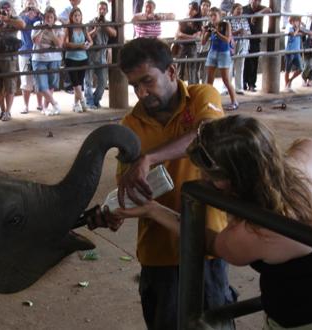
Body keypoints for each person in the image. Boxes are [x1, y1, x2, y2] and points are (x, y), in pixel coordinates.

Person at [114, 115, 312, 330]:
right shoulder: (299, 166)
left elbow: (208, 241)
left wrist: (153, 210)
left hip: (296, 320)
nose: (200, 176)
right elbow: (309, 143)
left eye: (204, 173)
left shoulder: (253, 232)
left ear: (223, 181)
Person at [102, 38, 234, 330]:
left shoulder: (202, 96)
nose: (141, 92)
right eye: (134, 85)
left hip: (207, 242)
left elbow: (207, 133)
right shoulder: (129, 127)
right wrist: (116, 212)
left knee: (214, 322)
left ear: (172, 72)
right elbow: (130, 189)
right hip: (158, 253)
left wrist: (148, 158)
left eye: (147, 81)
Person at [0, 0, 25, 122]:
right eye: (3, 9)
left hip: (10, 57)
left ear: (11, 9)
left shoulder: (15, 18)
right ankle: (2, 109)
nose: (5, 11)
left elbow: (22, 25)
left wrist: (8, 19)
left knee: (10, 86)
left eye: (7, 9)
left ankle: (8, 111)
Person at [202, 7, 237, 110]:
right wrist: (204, 32)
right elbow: (203, 42)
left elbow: (227, 40)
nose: (212, 18)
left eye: (214, 15)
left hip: (223, 53)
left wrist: (216, 32)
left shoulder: (225, 25)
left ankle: (234, 101)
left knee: (226, 80)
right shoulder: (210, 26)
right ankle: (209, 102)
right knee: (209, 80)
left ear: (219, 16)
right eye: (211, 16)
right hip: (212, 53)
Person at [31, 6, 64, 116]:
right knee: (42, 85)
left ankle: (45, 108)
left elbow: (59, 44)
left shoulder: (59, 28)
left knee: (51, 85)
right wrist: (42, 29)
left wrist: (52, 32)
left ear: (54, 18)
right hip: (39, 58)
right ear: (44, 17)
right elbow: (36, 41)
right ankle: (55, 104)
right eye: (47, 17)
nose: (49, 19)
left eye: (51, 17)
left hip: (54, 58)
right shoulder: (37, 25)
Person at [84, 1, 116, 109]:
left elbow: (114, 33)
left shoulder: (108, 23)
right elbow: (86, 37)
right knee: (88, 80)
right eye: (100, 8)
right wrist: (95, 30)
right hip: (91, 54)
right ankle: (89, 102)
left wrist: (104, 25)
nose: (101, 10)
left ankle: (96, 100)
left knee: (103, 81)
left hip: (102, 54)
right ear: (97, 10)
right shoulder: (90, 22)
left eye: (104, 9)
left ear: (106, 11)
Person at [64, 7, 92, 113]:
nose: (77, 17)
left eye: (78, 15)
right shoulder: (68, 28)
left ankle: (75, 104)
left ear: (81, 17)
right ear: (71, 17)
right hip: (71, 58)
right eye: (75, 15)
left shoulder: (83, 28)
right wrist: (80, 45)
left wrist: (88, 45)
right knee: (75, 84)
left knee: (79, 83)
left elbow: (90, 41)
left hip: (83, 58)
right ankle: (83, 102)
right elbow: (66, 43)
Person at [18, 0, 43, 114]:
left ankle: (40, 104)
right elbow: (16, 20)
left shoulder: (40, 17)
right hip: (25, 52)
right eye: (29, 3)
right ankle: (25, 105)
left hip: (39, 52)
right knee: (26, 81)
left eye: (33, 3)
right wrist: (25, 11)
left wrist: (39, 12)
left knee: (39, 78)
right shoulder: (22, 17)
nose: (31, 5)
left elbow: (51, 19)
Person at [243, 0, 271, 92]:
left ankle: (252, 84)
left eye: (257, 0)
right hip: (245, 39)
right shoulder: (244, 9)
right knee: (245, 61)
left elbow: (269, 10)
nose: (255, 1)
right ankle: (244, 83)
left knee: (254, 62)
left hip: (256, 39)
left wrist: (257, 14)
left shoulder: (261, 8)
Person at [175, 1, 201, 85]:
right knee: (180, 68)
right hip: (181, 46)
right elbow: (178, 34)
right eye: (189, 8)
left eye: (193, 9)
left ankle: (192, 88)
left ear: (196, 11)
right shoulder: (183, 21)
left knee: (192, 69)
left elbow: (198, 36)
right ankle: (179, 88)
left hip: (192, 46)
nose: (190, 10)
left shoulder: (198, 22)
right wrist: (191, 37)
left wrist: (184, 35)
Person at [229, 3, 250, 95]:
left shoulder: (244, 19)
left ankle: (239, 88)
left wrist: (245, 33)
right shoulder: (228, 19)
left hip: (243, 43)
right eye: (238, 9)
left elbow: (249, 32)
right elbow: (227, 33)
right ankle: (227, 88)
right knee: (229, 66)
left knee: (240, 66)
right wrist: (237, 32)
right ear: (233, 10)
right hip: (232, 43)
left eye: (241, 9)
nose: (240, 11)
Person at [284, 16, 303, 93]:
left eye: (298, 21)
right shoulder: (289, 27)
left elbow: (305, 32)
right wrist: (298, 29)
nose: (297, 23)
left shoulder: (298, 29)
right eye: (296, 21)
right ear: (291, 22)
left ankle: (290, 80)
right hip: (289, 51)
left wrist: (301, 28)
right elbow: (293, 34)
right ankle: (286, 84)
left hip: (297, 51)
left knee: (300, 69)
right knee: (287, 69)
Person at [197, 0, 211, 83]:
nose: (205, 7)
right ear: (200, 6)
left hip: (206, 47)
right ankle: (197, 86)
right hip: (197, 47)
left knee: (205, 68)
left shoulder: (210, 19)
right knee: (196, 68)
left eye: (207, 6)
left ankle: (204, 85)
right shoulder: (196, 18)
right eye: (204, 5)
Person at [301, 12, 312, 87]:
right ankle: (303, 78)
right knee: (308, 64)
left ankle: (310, 79)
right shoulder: (310, 17)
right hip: (308, 42)